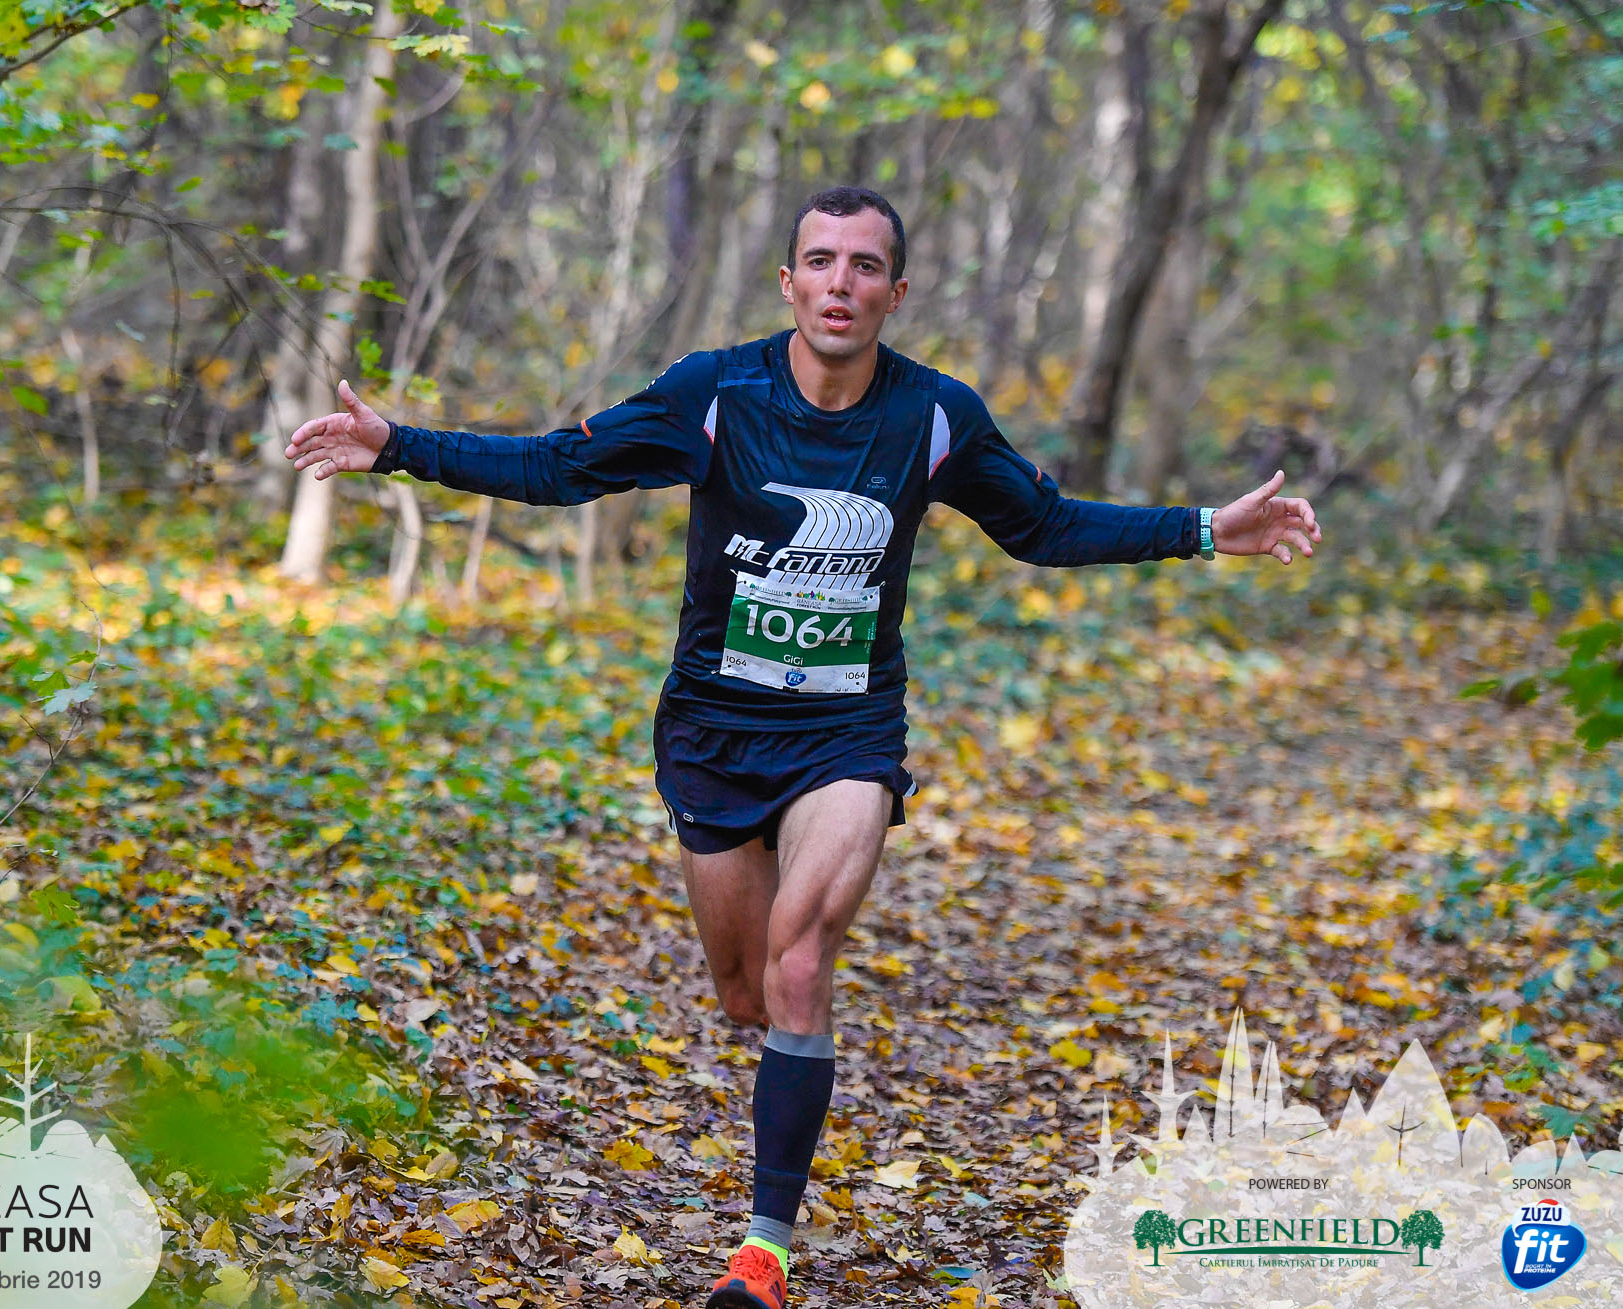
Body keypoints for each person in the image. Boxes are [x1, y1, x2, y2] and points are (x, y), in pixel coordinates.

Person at [285, 185, 1321, 1309]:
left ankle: (759, 1256)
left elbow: (1042, 524)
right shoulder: (715, 394)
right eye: (819, 262)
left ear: (894, 291)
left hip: (845, 730)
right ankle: (781, 1096)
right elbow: (557, 467)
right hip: (714, 733)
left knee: (797, 963)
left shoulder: (934, 418)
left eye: (864, 265)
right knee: (743, 995)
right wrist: (398, 448)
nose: (840, 283)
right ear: (788, 284)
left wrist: (1204, 530)